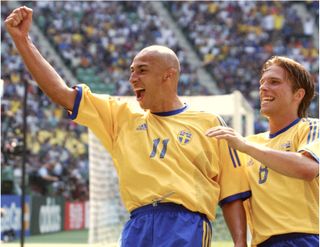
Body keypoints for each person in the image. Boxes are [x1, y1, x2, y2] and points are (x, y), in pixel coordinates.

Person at [5, 6, 251, 246]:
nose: (132, 78)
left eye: (142, 71)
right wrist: (23, 40)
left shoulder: (209, 122)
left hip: (186, 227)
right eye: (132, 71)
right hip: (138, 225)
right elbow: (61, 93)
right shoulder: (121, 116)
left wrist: (240, 243)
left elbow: (231, 196)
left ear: (169, 75)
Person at [206, 56, 319, 247]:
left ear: (298, 95)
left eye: (274, 82)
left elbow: (308, 168)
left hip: (305, 239)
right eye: (262, 82)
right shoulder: (248, 145)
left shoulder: (311, 128)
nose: (263, 88)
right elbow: (235, 197)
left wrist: (246, 147)